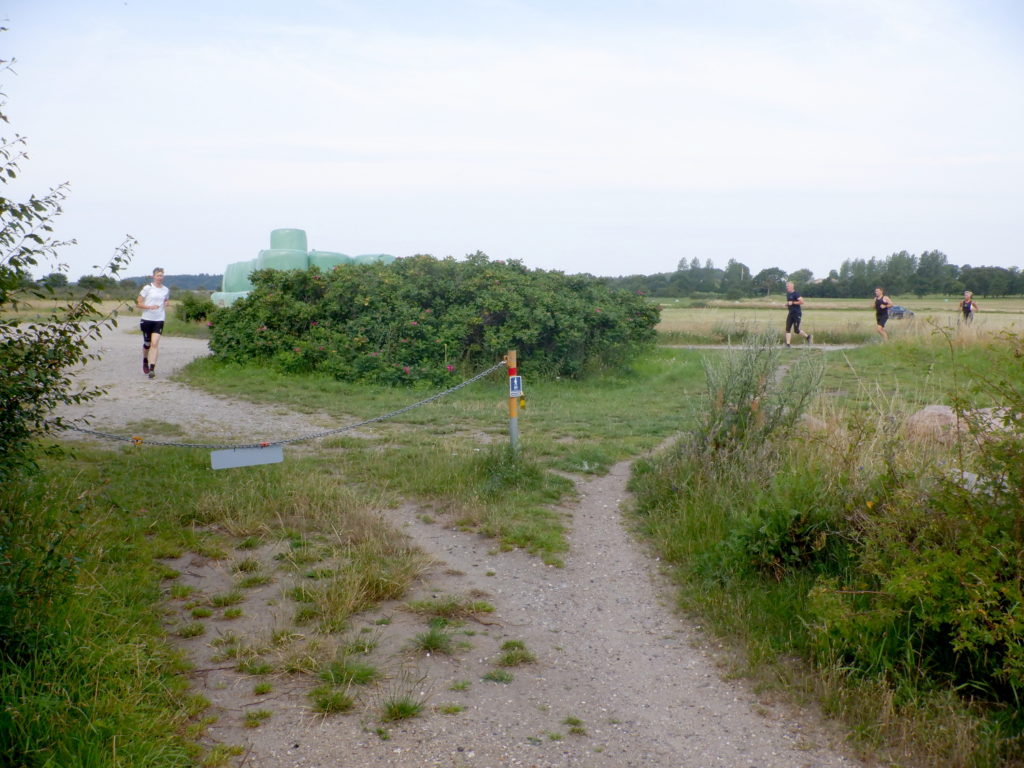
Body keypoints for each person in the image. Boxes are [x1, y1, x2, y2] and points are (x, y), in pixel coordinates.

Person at [137, 267, 170, 378]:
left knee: (155, 343)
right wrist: (149, 307)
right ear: (153, 276)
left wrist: (166, 302)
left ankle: (152, 369)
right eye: (158, 275)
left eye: (161, 275)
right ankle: (145, 360)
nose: (160, 277)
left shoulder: (166, 290)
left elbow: (165, 299)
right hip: (147, 318)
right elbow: (139, 303)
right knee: (147, 344)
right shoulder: (147, 288)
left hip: (159, 319)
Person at [783, 281, 812, 347]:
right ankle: (788, 344)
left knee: (796, 330)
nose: (787, 287)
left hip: (797, 314)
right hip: (790, 313)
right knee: (788, 328)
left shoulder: (796, 294)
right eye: (786, 286)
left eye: (788, 286)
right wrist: (787, 304)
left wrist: (793, 302)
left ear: (791, 287)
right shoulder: (788, 294)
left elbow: (802, 302)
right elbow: (790, 303)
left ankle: (808, 337)